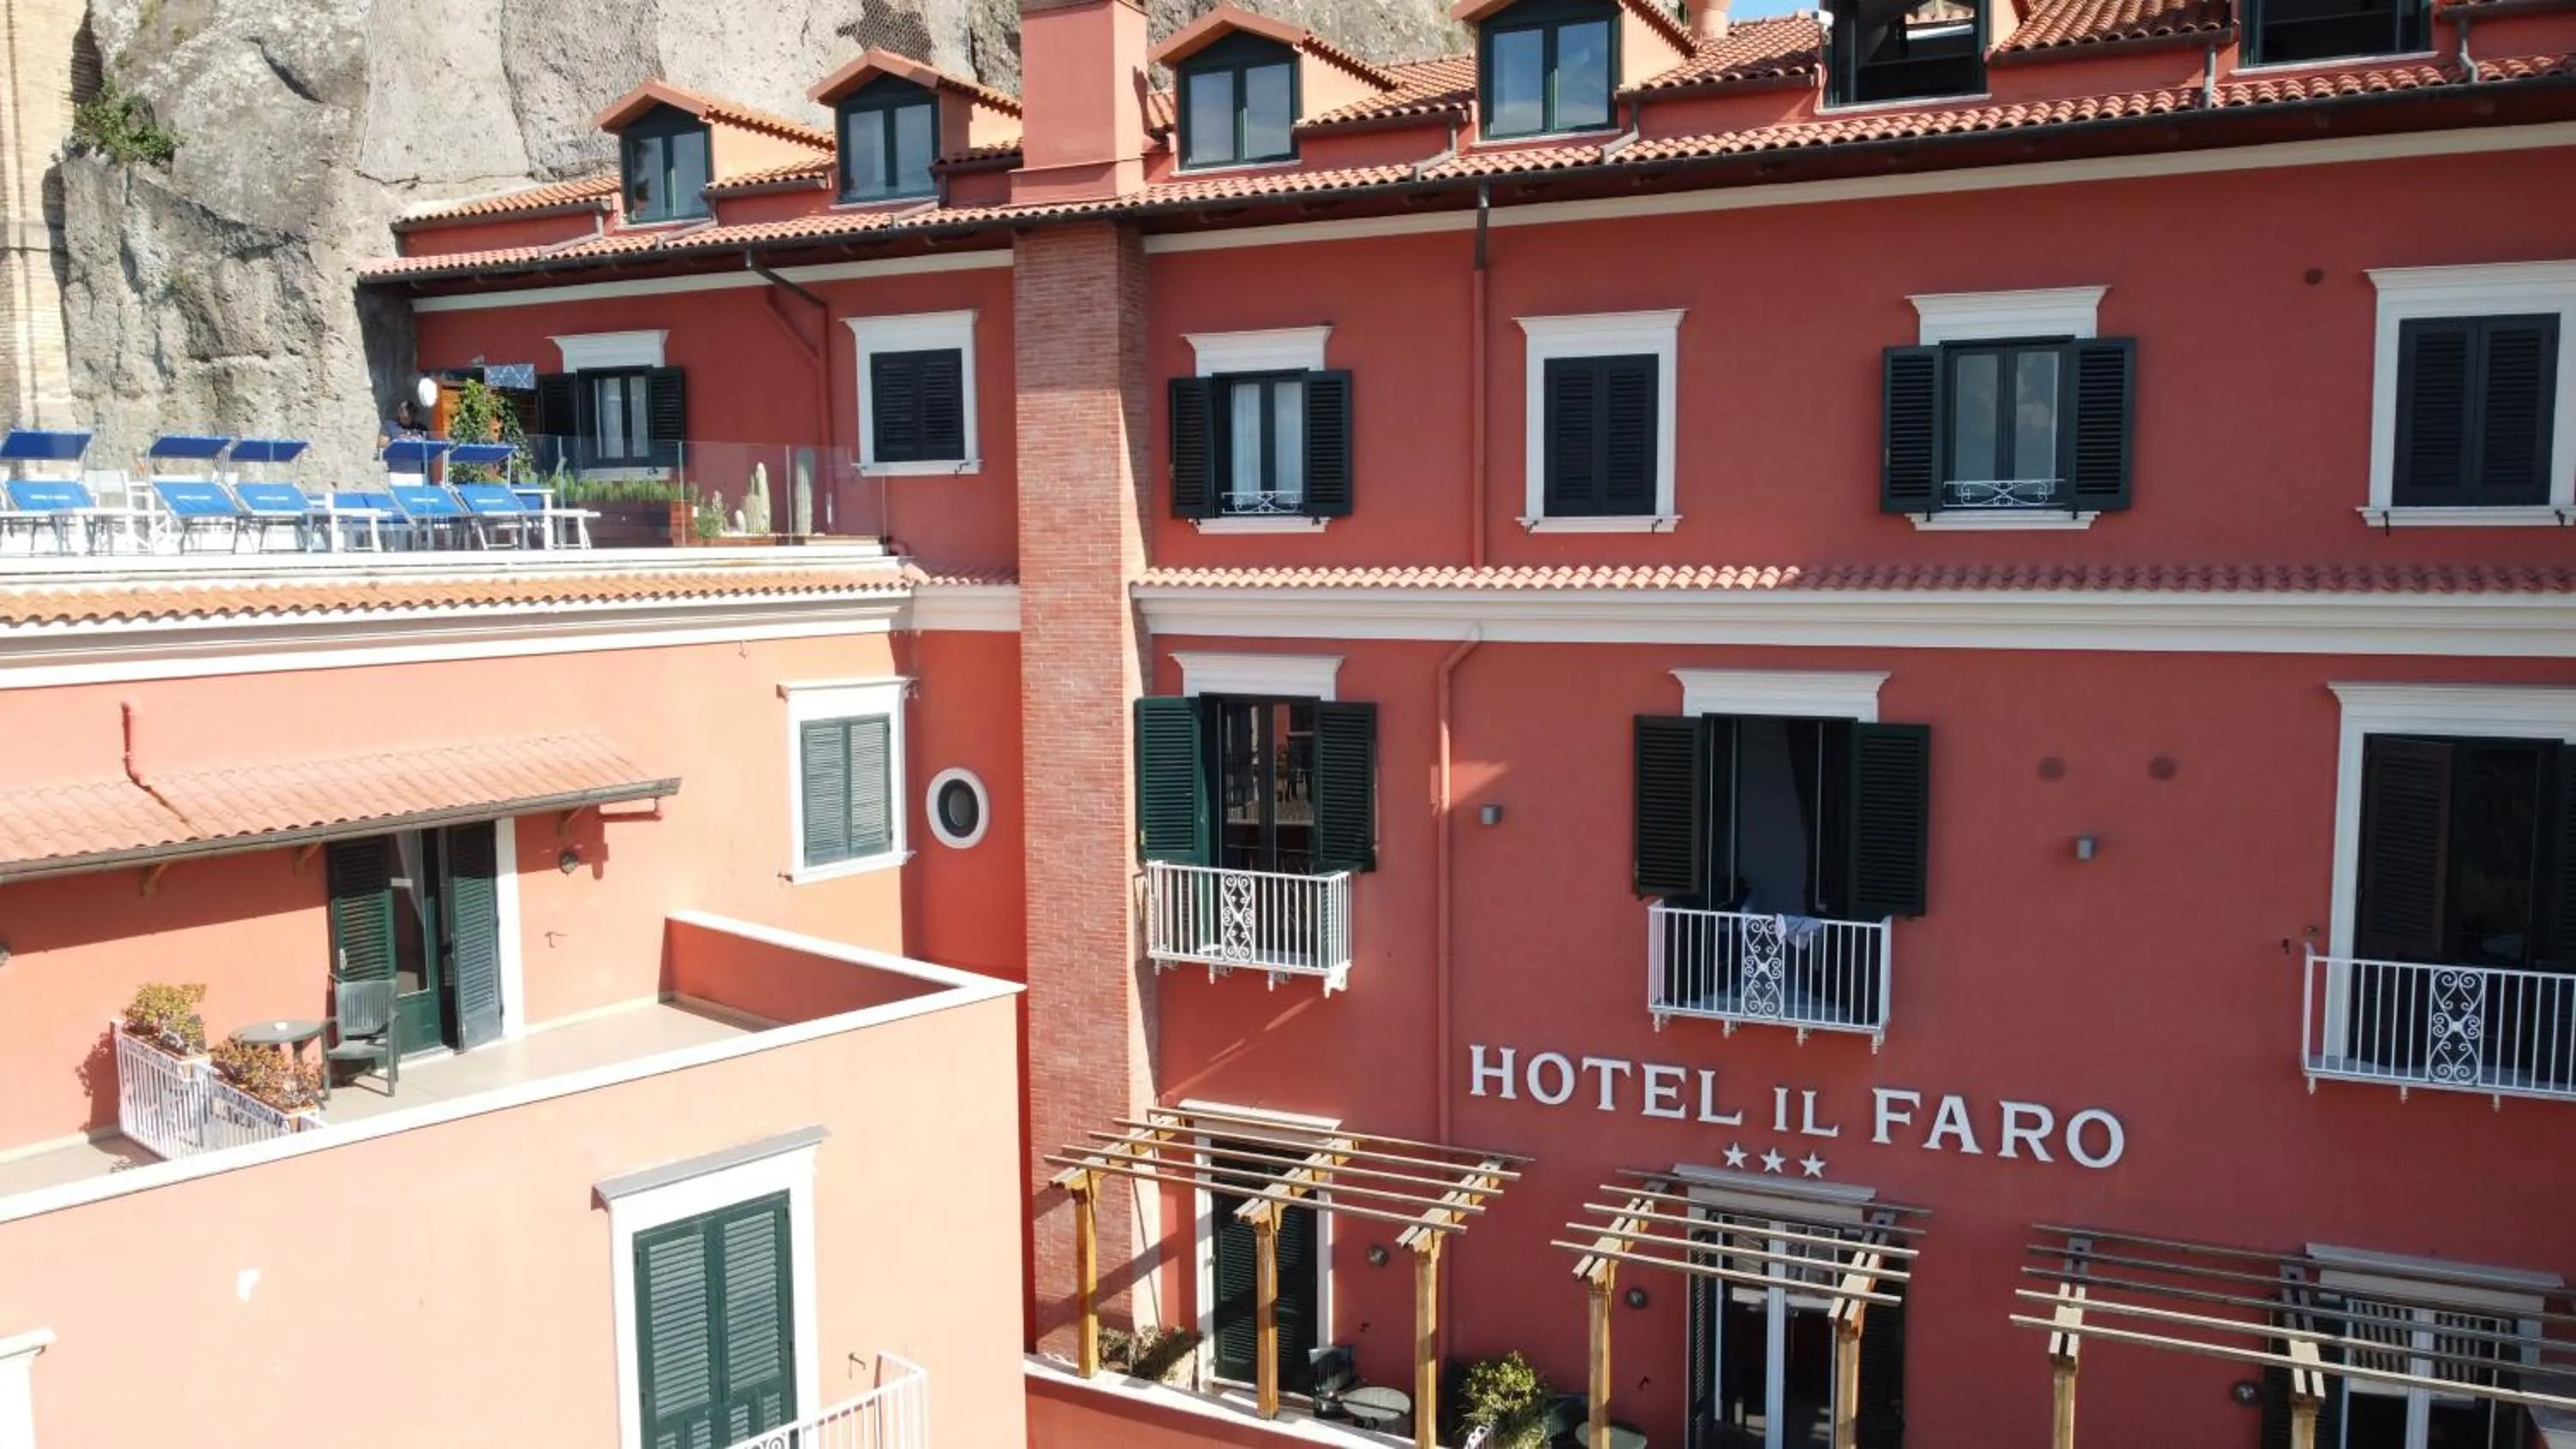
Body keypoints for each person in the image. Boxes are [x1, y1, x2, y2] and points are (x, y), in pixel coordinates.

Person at [380, 399, 428, 475]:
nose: (407, 419)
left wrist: (417, 440)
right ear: (399, 414)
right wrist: (397, 442)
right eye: (404, 417)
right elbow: (381, 446)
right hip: (396, 471)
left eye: (410, 417)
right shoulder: (389, 425)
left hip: (417, 471)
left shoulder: (421, 428)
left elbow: (428, 446)